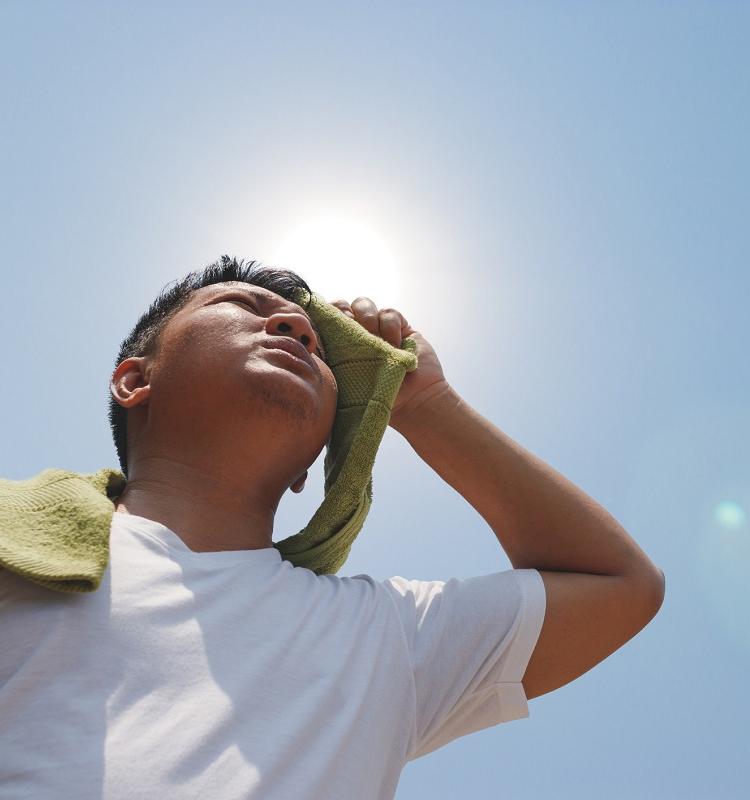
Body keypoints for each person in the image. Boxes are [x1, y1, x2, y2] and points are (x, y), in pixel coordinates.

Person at [0, 255, 665, 799]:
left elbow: (621, 584)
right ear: (134, 381)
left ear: (308, 469)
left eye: (317, 346)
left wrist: (429, 405)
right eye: (243, 308)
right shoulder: (17, 542)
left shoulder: (382, 636)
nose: (295, 327)